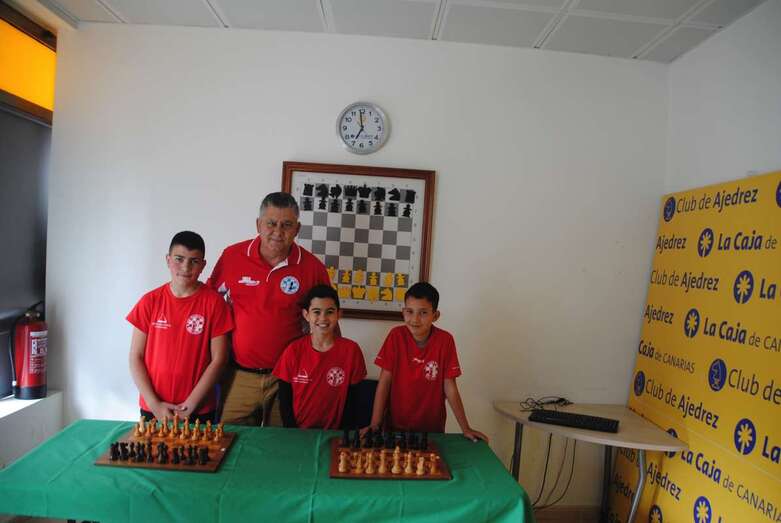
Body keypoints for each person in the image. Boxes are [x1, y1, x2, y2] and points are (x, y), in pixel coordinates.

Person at [208, 192, 332, 426]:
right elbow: (210, 303)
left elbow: (328, 321)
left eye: (286, 225)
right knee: (230, 439)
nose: (278, 231)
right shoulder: (233, 256)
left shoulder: (312, 268)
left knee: (282, 442)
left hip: (288, 378)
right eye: (271, 224)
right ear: (258, 225)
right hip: (239, 376)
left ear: (297, 229)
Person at [127, 231, 233, 424]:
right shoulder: (150, 301)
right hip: (154, 407)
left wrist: (190, 405)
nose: (185, 267)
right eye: (179, 259)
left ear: (203, 265)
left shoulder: (215, 304)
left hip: (198, 408)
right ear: (168, 260)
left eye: (194, 261)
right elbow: (136, 356)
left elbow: (219, 359)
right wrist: (154, 404)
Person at [366, 282, 488, 441]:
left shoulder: (445, 340)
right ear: (403, 312)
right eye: (409, 311)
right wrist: (374, 424)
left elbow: (450, 387)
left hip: (432, 430)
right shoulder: (396, 336)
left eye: (423, 312)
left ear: (435, 316)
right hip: (394, 428)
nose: (415, 319)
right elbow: (384, 383)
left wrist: (465, 428)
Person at [272, 285, 366, 429]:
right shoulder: (293, 351)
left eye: (330, 312)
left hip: (336, 433)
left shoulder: (351, 351)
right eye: (316, 312)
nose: (323, 318)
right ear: (306, 315)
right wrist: (292, 431)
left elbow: (355, 400)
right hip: (299, 432)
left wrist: (343, 434)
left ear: (339, 314)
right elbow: (284, 399)